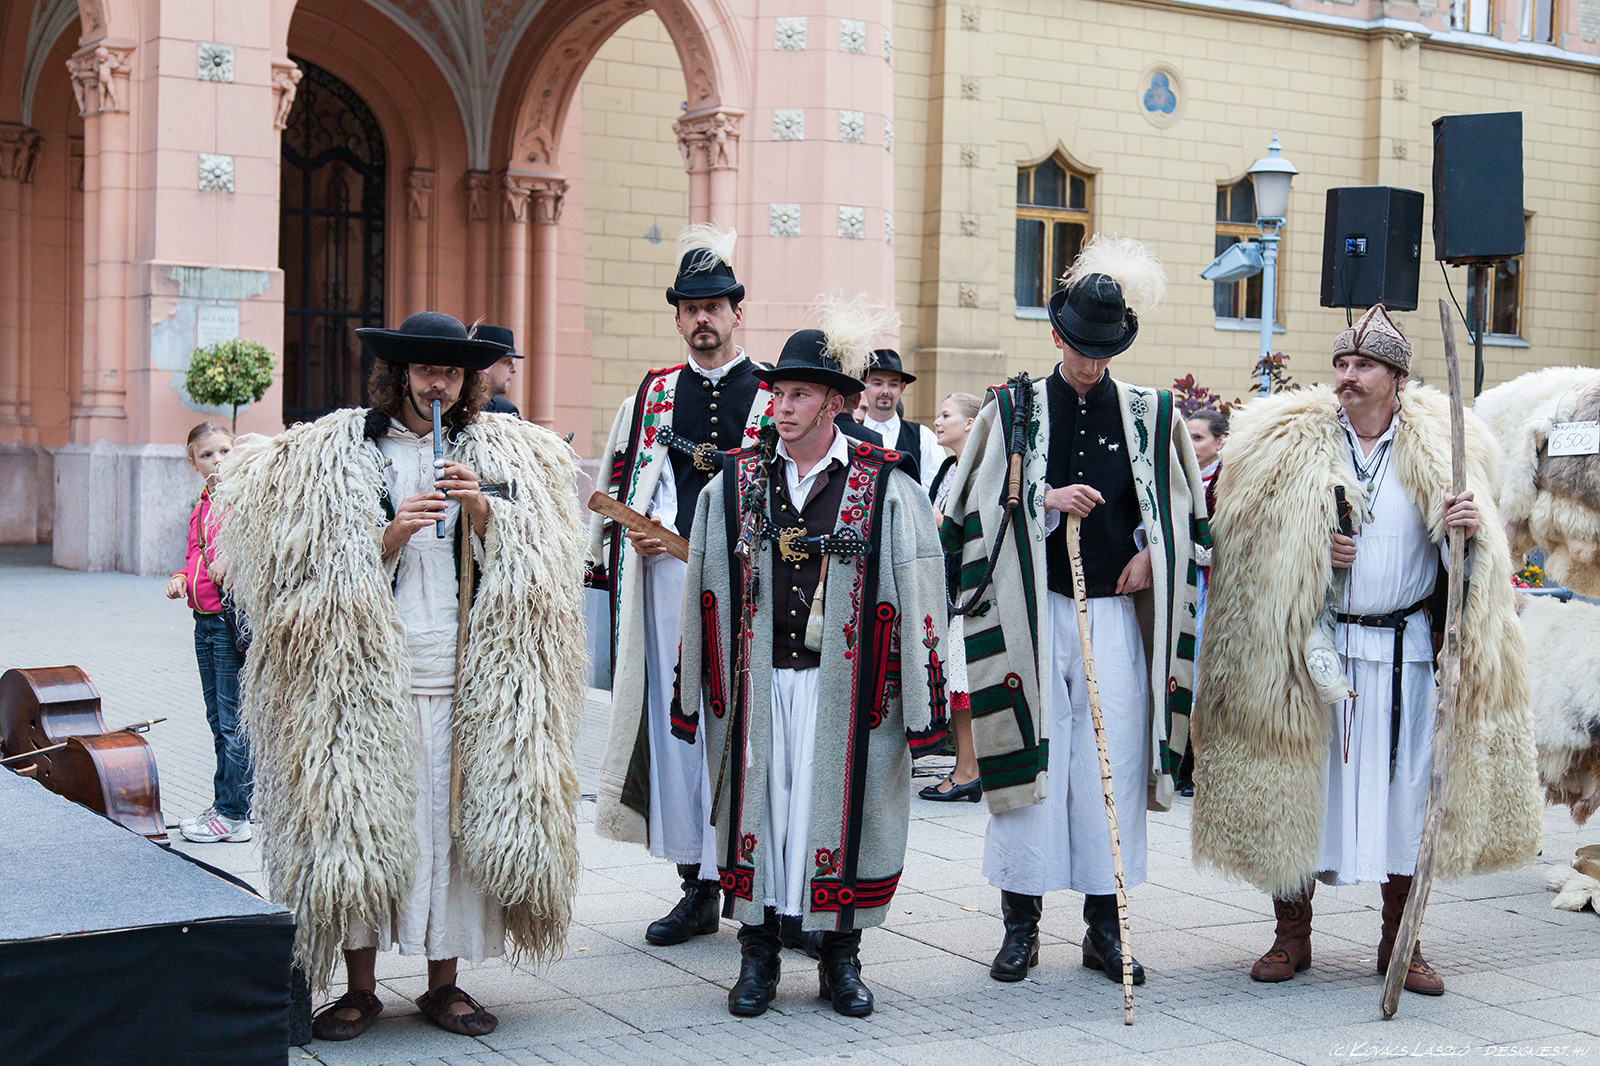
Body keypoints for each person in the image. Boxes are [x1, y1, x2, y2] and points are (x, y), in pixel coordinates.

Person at [217, 311, 585, 1041]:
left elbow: (546, 564)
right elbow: (301, 571)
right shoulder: (340, 451)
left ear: (466, 380)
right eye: (424, 370)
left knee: (449, 828)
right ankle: (359, 988)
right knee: (358, 823)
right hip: (367, 678)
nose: (437, 383)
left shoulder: (500, 450)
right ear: (399, 375)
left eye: (449, 371)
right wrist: (389, 535)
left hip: (466, 674)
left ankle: (443, 984)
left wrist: (482, 511)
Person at [1191, 304, 1541, 997]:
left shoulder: (1446, 449)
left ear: (1397, 378)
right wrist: (1310, 548)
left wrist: (1465, 532)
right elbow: (1240, 542)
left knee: (1408, 792)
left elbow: (1475, 576)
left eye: (1363, 366)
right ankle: (1291, 935)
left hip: (1405, 653)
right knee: (1297, 783)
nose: (1347, 377)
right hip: (1310, 652)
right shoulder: (1286, 446)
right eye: (1342, 364)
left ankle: (1400, 941)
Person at [940, 235, 1207, 987]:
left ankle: (1105, 929)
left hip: (1114, 615)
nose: (1091, 362)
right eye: (1081, 347)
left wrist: (1153, 553)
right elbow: (966, 507)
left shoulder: (1152, 413)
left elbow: (1184, 514)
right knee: (1028, 758)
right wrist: (1044, 500)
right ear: (1058, 337)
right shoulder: (1012, 408)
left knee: (1108, 766)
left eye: (1104, 350)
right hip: (1033, 614)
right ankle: (1019, 926)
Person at [672, 297, 949, 1019]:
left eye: (798, 394)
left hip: (850, 691)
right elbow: (702, 587)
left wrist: (925, 712)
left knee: (841, 818)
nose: (782, 407)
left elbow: (923, 591)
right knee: (763, 813)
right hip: (759, 685)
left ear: (835, 403)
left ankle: (840, 959)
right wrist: (692, 689)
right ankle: (758, 955)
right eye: (778, 393)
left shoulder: (886, 484)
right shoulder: (734, 482)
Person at [588, 225, 772, 948]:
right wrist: (633, 531)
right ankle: (695, 882)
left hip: (751, 591)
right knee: (677, 728)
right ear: (678, 318)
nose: (702, 319)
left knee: (749, 727)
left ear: (736, 312)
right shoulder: (654, 393)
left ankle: (755, 882)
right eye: (690, 308)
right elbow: (624, 476)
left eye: (713, 307)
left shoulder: (774, 391)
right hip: (666, 583)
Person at [166, 421, 252, 844]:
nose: (217, 461)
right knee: (218, 719)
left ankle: (235, 814)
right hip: (203, 623)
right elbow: (193, 555)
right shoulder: (202, 506)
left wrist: (232, 558)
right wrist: (182, 577)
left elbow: (261, 543)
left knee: (233, 722)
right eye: (207, 455)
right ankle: (225, 805)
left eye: (224, 451)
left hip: (229, 622)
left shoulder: (244, 498)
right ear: (193, 463)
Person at [921, 391, 983, 804]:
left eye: (946, 415)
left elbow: (978, 532)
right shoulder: (948, 468)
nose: (937, 421)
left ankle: (968, 771)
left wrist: (938, 521)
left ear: (970, 423)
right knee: (954, 681)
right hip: (946, 585)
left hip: (971, 590)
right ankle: (965, 766)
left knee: (963, 681)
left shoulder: (982, 470)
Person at [1177, 408, 1227, 796]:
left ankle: (1202, 764)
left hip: (1216, 588)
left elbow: (1228, 541)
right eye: (1188, 437)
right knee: (1182, 669)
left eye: (1199, 438)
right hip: (1186, 584)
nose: (1191, 445)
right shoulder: (1180, 476)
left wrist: (1188, 549)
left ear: (1220, 442)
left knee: (1207, 674)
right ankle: (1181, 761)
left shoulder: (1229, 481)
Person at [847, 350, 943, 486]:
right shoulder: (850, 435)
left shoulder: (923, 436)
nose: (885, 391)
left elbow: (933, 487)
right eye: (878, 383)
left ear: (902, 388)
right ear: (864, 385)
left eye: (893, 384)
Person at [477, 325, 521, 416]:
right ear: (485, 364)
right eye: (507, 361)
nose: (514, 369)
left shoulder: (506, 411)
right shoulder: (450, 406)